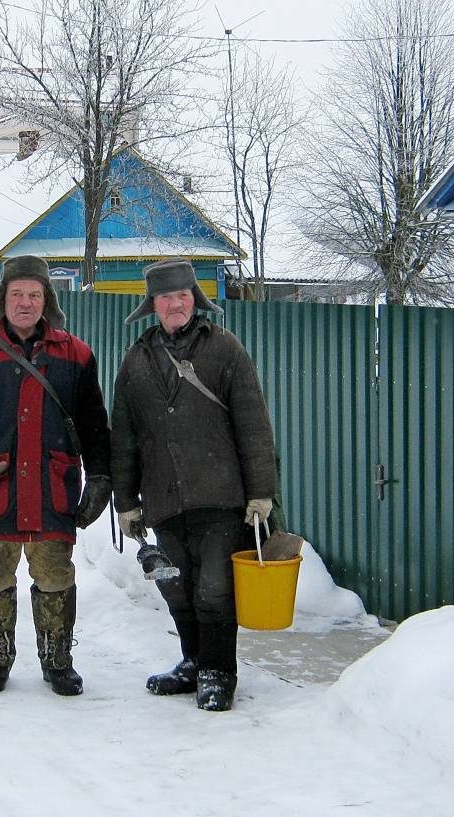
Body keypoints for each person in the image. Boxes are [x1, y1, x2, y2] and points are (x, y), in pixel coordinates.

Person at [0, 255, 111, 697]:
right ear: (2, 300)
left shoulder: (77, 355)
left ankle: (57, 660)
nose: (26, 303)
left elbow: (93, 427)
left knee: (55, 576)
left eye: (34, 294)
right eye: (17, 294)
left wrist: (101, 477)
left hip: (52, 489)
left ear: (47, 300)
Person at [109, 258, 278, 712]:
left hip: (221, 495)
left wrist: (261, 492)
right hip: (164, 497)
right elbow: (122, 438)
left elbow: (254, 423)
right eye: (166, 297)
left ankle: (219, 672)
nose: (175, 304)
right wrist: (125, 502)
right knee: (175, 585)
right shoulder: (137, 358)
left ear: (194, 299)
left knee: (215, 590)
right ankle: (193, 662)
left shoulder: (223, 348)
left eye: (183, 295)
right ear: (153, 305)